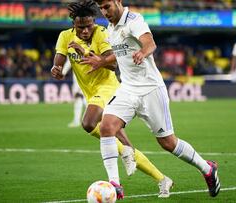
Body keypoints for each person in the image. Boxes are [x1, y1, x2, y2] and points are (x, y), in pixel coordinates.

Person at [87, 0, 220, 199]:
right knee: (106, 127)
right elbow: (120, 52)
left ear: (118, 2)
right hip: (127, 89)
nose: (104, 12)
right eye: (101, 8)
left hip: (151, 89)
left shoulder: (135, 20)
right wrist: (102, 61)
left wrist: (143, 51)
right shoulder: (111, 28)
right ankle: (114, 184)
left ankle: (207, 169)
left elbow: (150, 43)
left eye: (107, 6)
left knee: (168, 143)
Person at [50, 0, 173, 198]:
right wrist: (56, 70)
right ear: (74, 25)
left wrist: (88, 54)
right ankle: (162, 179)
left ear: (93, 22)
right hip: (90, 93)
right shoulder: (64, 36)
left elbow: (111, 65)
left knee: (89, 123)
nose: (85, 31)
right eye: (81, 27)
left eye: (89, 26)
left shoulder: (101, 33)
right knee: (121, 143)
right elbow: (59, 62)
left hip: (109, 87)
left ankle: (119, 174)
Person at [61, 57, 86, 128]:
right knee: (80, 97)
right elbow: (69, 61)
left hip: (84, 76)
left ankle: (85, 120)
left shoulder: (73, 49)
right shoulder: (73, 49)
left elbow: (68, 62)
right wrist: (63, 72)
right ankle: (78, 120)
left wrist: (63, 73)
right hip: (80, 75)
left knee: (81, 97)